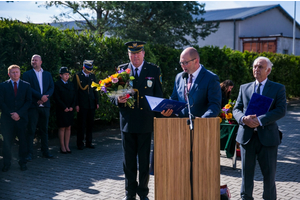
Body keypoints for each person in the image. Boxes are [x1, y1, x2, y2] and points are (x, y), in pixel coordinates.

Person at [112, 41, 163, 200]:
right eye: (132, 54)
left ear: (143, 54)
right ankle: (130, 193)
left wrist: (160, 118)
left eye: (138, 53)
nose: (135, 56)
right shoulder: (121, 70)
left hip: (145, 122)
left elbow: (158, 95)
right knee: (128, 162)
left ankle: (143, 192)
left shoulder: (153, 70)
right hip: (127, 122)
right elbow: (113, 94)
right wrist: (116, 100)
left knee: (144, 160)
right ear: (129, 55)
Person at [233, 56, 286, 200]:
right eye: (254, 66)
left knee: (269, 176)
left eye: (260, 67)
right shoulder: (244, 88)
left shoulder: (277, 88)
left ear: (268, 70)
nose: (256, 69)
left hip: (268, 138)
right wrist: (243, 119)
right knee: (246, 175)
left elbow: (281, 110)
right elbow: (236, 109)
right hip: (247, 138)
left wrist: (259, 120)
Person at [162, 47, 221, 118]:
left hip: (202, 126)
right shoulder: (179, 77)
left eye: (186, 62)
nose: (183, 66)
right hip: (180, 126)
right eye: (181, 63)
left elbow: (214, 105)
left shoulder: (211, 78)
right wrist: (168, 110)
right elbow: (174, 100)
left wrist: (202, 120)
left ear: (196, 61)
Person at [0, 65, 32, 172]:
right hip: (7, 120)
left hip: (21, 119)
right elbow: (1, 102)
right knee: (7, 142)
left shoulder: (26, 86)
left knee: (23, 142)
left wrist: (18, 113)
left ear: (20, 73)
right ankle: (6, 163)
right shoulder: (3, 86)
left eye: (17, 72)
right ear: (9, 74)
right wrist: (11, 114)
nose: (15, 74)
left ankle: (23, 162)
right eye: (12, 72)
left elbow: (28, 101)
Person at [23, 54, 54, 159]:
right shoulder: (27, 74)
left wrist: (45, 98)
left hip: (45, 106)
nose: (34, 61)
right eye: (32, 60)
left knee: (44, 130)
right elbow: (28, 88)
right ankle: (29, 154)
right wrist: (40, 97)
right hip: (33, 105)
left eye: (36, 60)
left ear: (41, 62)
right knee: (31, 130)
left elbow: (51, 87)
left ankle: (45, 152)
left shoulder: (47, 74)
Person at [72, 60, 99, 150]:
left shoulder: (92, 76)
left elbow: (95, 90)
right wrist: (76, 104)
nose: (89, 71)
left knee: (90, 124)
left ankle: (89, 142)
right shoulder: (78, 76)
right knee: (81, 124)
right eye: (88, 69)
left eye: (90, 69)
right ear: (84, 67)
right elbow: (75, 92)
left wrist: (97, 102)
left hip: (91, 103)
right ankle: (80, 143)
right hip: (82, 104)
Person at [53, 67, 76, 154]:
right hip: (61, 109)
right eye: (65, 75)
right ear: (60, 75)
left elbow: (74, 96)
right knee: (62, 127)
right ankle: (62, 146)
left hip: (70, 109)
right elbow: (57, 97)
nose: (67, 76)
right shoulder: (57, 84)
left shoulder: (71, 84)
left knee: (68, 127)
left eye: (68, 75)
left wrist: (72, 106)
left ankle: (67, 146)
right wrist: (64, 107)